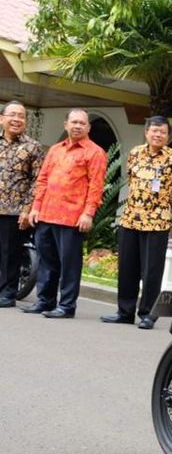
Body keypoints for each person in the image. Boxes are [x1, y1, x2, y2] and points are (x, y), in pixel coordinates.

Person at [100, 116, 172, 330]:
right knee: (127, 267)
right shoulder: (135, 153)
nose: (158, 135)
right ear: (146, 132)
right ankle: (124, 311)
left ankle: (148, 314)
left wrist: (158, 204)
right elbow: (131, 179)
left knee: (151, 271)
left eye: (163, 132)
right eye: (154, 130)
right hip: (130, 219)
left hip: (157, 222)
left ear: (168, 136)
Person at [23, 108, 107, 318]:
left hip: (72, 218)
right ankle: (45, 301)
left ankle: (67, 306)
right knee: (45, 261)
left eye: (82, 123)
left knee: (69, 265)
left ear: (88, 127)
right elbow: (42, 180)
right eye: (74, 122)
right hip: (46, 214)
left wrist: (88, 213)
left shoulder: (95, 152)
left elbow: (96, 186)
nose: (77, 126)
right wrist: (36, 207)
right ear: (66, 125)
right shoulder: (55, 149)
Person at [0, 101, 45, 308]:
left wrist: (27, 210)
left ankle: (8, 293)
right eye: (12, 115)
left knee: (10, 254)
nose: (17, 119)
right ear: (2, 119)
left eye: (21, 116)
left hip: (14, 210)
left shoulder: (33, 147)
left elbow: (37, 181)